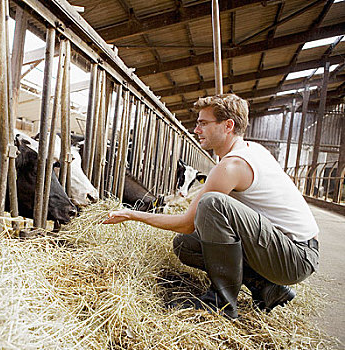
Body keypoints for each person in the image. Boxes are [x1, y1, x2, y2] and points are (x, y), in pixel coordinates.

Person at [102, 94, 319, 319]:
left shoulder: (233, 165)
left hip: (295, 257)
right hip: (289, 250)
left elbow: (186, 223)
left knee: (212, 204)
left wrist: (132, 214)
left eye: (203, 123)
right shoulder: (249, 150)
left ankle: (220, 303)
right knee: (186, 246)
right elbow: (190, 230)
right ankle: (266, 288)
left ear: (228, 126)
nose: (196, 130)